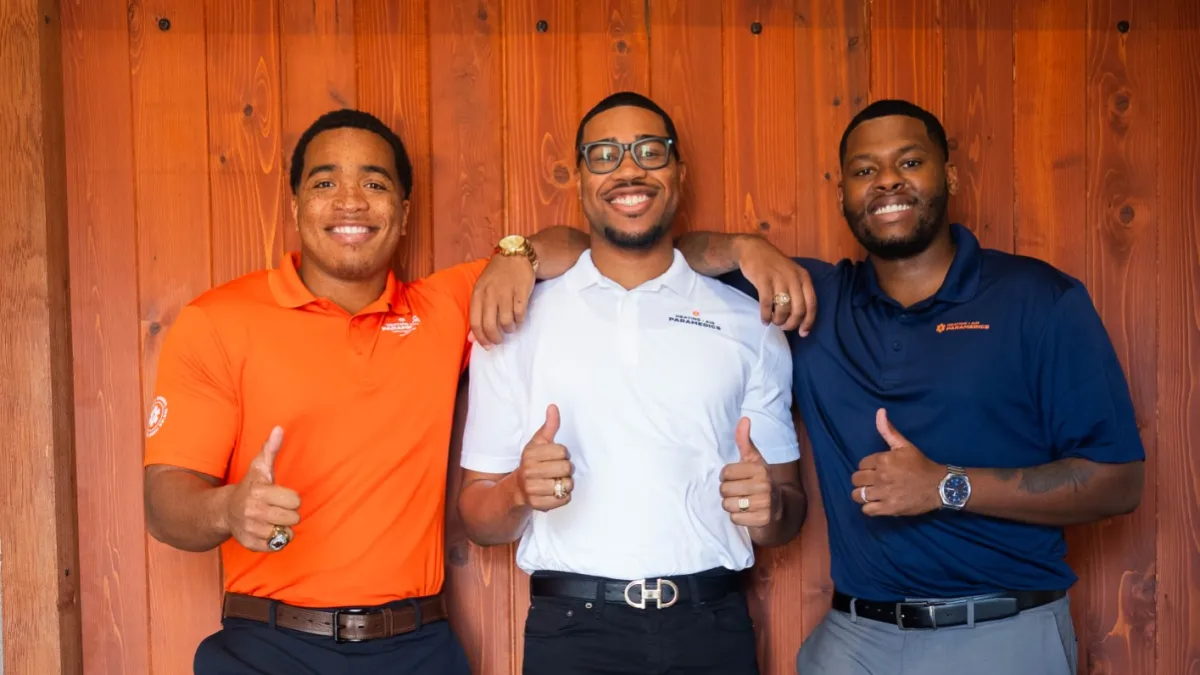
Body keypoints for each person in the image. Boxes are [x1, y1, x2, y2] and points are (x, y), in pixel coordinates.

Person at [144, 107, 816, 675]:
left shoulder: (452, 307)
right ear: (295, 204)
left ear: (403, 213)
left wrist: (737, 248)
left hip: (416, 647)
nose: (351, 201)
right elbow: (165, 501)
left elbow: (611, 242)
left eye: (373, 183)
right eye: (326, 182)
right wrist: (228, 510)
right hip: (267, 644)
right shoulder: (218, 320)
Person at [690, 99, 1145, 675]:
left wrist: (946, 487)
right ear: (843, 196)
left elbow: (1119, 482)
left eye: (909, 162)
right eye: (863, 170)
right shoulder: (817, 300)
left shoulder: (1038, 299)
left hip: (1002, 636)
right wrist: (744, 247)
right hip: (855, 642)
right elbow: (665, 256)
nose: (886, 182)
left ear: (948, 175)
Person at [456, 91, 809, 675]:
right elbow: (477, 517)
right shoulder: (516, 319)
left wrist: (769, 507)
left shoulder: (750, 321)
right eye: (604, 154)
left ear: (678, 173)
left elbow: (788, 514)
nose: (628, 169)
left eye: (650, 150)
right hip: (572, 631)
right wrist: (517, 489)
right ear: (579, 179)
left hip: (711, 624)